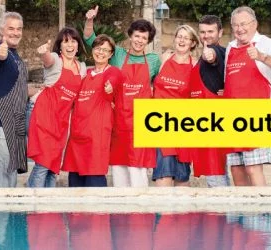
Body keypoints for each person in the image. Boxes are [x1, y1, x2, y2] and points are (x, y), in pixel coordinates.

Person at [83, 6, 162, 187]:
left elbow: (161, 86)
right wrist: (89, 20)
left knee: (138, 170)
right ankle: (121, 215)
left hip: (141, 125)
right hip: (118, 122)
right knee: (119, 170)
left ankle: (141, 213)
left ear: (148, 40)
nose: (140, 40)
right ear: (130, 35)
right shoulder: (117, 54)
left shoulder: (154, 60)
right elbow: (90, 40)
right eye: (137, 36)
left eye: (144, 37)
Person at [224, 6, 271, 186]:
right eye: (235, 25)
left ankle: (261, 213)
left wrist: (262, 57)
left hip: (256, 117)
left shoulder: (265, 43)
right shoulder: (230, 48)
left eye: (244, 24)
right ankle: (242, 213)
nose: (240, 29)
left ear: (255, 24)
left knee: (253, 167)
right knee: (236, 169)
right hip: (232, 118)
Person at [26, 27, 87, 188]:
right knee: (43, 163)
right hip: (43, 116)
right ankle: (34, 203)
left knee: (53, 166)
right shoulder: (55, 60)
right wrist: (43, 52)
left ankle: (49, 208)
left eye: (73, 41)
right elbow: (47, 60)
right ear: (60, 46)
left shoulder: (81, 67)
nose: (70, 45)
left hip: (61, 121)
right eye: (65, 41)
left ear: (78, 45)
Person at [150, 24, 205, 187]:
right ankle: (164, 212)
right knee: (163, 173)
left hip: (182, 125)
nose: (181, 40)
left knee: (182, 177)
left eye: (186, 38)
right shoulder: (164, 58)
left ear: (193, 43)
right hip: (160, 124)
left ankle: (182, 213)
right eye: (179, 36)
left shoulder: (196, 64)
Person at [0, 12, 30, 188]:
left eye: (19, 29)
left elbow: (15, 86)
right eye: (11, 28)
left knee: (5, 170)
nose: (15, 32)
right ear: (2, 31)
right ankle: (1, 214)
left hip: (13, 121)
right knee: (3, 176)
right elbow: (0, 57)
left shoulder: (15, 55)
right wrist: (2, 53)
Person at [62, 35, 117, 188]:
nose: (101, 52)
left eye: (106, 50)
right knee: (74, 189)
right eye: (98, 48)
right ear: (92, 50)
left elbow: (115, 80)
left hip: (97, 139)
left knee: (95, 189)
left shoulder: (112, 73)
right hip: (77, 137)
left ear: (111, 54)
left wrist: (111, 87)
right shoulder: (84, 73)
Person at [183, 15, 232, 187]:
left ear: (220, 32)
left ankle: (224, 211)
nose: (206, 35)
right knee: (214, 172)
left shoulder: (219, 52)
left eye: (211, 31)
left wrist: (209, 56)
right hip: (201, 122)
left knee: (215, 172)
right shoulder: (199, 60)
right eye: (202, 32)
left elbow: (213, 57)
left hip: (214, 121)